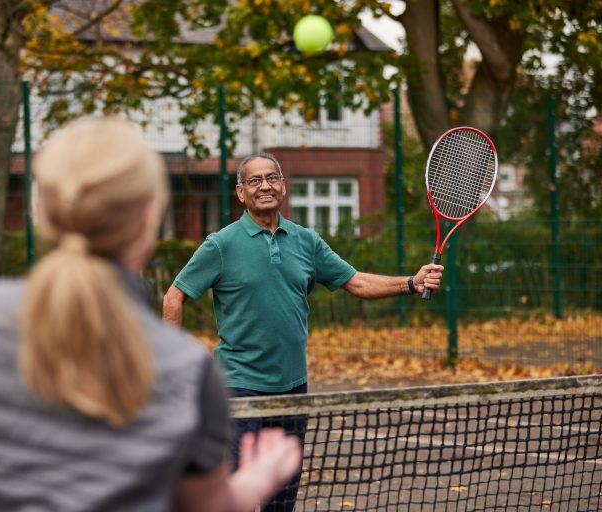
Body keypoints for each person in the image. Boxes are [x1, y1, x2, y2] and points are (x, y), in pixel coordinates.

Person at [0, 119, 302, 512]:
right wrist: (259, 477)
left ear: (42, 212)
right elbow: (206, 505)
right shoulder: (185, 368)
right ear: (148, 220)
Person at [163, 152, 444, 511]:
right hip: (238, 388)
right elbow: (173, 298)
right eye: (254, 180)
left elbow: (356, 282)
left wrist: (411, 282)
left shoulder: (307, 242)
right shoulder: (221, 245)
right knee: (233, 495)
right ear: (240, 192)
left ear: (283, 186)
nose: (265, 186)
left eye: (272, 178)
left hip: (294, 388)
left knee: (282, 498)